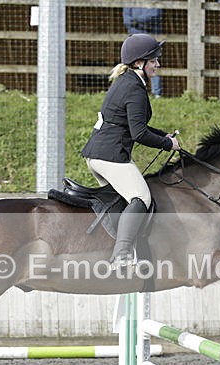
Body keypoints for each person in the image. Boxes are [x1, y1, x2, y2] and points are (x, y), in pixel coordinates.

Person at [80, 34, 180, 269]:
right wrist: (167, 145)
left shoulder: (127, 81)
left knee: (124, 201)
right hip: (110, 155)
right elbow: (139, 134)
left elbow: (134, 124)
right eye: (153, 60)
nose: (158, 64)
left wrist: (163, 135)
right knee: (141, 197)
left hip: (100, 153)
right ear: (139, 63)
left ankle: (117, 246)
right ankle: (122, 254)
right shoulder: (134, 88)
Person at [123, 5, 164, 98]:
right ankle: (134, 90)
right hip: (135, 37)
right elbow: (127, 20)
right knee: (133, 64)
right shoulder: (130, 2)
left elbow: (155, 16)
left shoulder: (154, 2)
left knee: (152, 63)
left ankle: (156, 93)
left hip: (151, 37)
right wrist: (143, 22)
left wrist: (137, 21)